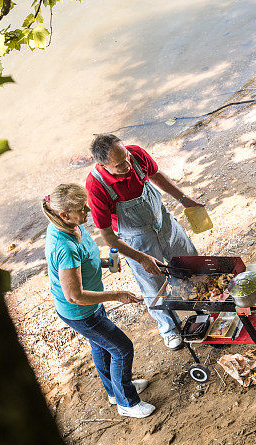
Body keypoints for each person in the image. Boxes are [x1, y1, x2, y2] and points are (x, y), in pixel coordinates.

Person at [43, 184, 155, 418]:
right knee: (122, 349)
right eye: (82, 209)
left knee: (102, 346)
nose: (88, 211)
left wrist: (103, 262)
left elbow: (83, 258)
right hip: (80, 311)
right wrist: (117, 294)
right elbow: (74, 295)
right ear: (63, 215)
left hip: (91, 303)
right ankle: (127, 403)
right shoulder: (63, 245)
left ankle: (115, 392)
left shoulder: (72, 224)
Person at [85, 133, 202, 350]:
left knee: (191, 262)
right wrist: (142, 259)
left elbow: (156, 176)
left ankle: (205, 307)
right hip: (136, 240)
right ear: (103, 165)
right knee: (153, 287)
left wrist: (184, 199)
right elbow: (108, 237)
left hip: (163, 221)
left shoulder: (135, 154)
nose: (128, 165)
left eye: (127, 157)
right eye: (120, 165)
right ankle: (170, 329)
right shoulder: (96, 186)